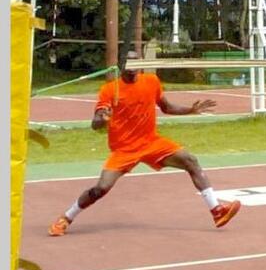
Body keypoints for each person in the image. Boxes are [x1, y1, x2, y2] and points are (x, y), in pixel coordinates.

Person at [48, 51, 241, 236]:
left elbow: (166, 107)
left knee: (190, 160)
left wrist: (190, 110)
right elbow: (95, 124)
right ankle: (66, 218)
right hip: (124, 149)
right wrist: (102, 119)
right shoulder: (110, 89)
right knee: (101, 188)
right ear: (122, 65)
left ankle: (217, 211)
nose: (133, 66)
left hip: (151, 142)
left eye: (136, 62)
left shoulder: (151, 81)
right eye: (129, 61)